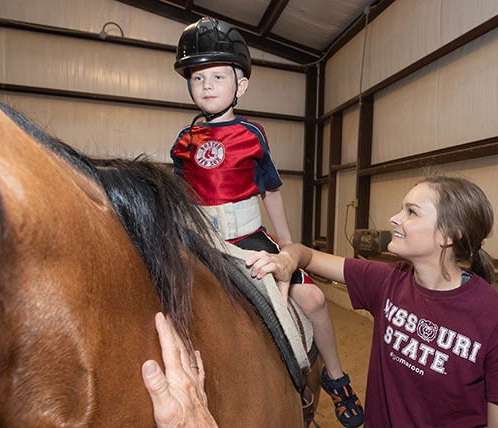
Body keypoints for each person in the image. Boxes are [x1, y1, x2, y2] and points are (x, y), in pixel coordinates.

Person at [170, 17, 363, 427]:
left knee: (311, 300)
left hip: (249, 237)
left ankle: (335, 375)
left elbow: (271, 191)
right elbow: (178, 198)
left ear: (240, 86)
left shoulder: (252, 135)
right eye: (198, 77)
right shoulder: (183, 142)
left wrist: (292, 251)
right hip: (202, 242)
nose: (206, 86)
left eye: (218, 76)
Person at [246, 176, 498, 427]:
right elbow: (306, 254)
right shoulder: (388, 282)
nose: (394, 218)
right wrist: (286, 259)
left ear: (449, 235)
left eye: (411, 212)